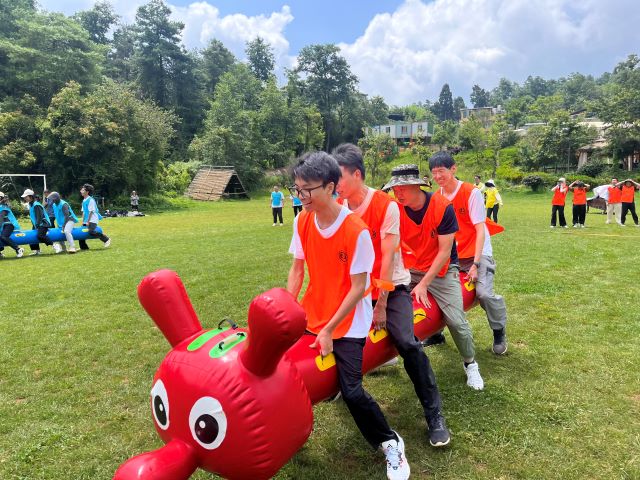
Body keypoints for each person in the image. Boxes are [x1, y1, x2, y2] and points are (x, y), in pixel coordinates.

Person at [288, 151, 410, 480]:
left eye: (306, 190)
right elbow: (297, 269)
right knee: (284, 371)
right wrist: (288, 306)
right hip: (313, 313)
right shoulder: (302, 220)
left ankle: (390, 442)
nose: (300, 197)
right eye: (296, 189)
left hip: (349, 321)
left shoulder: (355, 230)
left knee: (352, 391)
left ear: (330, 187)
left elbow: (358, 289)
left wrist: (329, 330)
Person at [334, 143, 450, 447]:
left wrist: (381, 304)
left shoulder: (385, 205)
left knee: (407, 343)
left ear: (356, 175)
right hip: (356, 289)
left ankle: (434, 414)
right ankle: (339, 386)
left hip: (391, 286)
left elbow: (387, 258)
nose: (335, 184)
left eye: (339, 177)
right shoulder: (338, 207)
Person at [384, 163, 485, 389]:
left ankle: (470, 363)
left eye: (402, 188)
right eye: (394, 189)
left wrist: (423, 284)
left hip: (442, 270)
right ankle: (383, 355)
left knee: (456, 321)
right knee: (381, 305)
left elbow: (444, 252)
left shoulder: (442, 207)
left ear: (416, 186)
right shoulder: (395, 209)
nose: (398, 193)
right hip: (410, 268)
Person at [428, 152, 508, 356]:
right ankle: (435, 333)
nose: (437, 176)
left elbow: (480, 230)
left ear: (453, 169)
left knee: (483, 294)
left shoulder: (471, 192)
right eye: (434, 172)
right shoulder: (436, 197)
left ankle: (499, 331)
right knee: (435, 290)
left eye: (441, 171)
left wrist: (476, 264)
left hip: (477, 252)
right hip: (453, 254)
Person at [20, 189, 60, 255]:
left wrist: (37, 225)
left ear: (31, 196)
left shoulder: (36, 205)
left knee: (40, 236)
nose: (25, 198)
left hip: (43, 223)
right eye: (24, 197)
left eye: (26, 197)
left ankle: (55, 245)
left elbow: (39, 216)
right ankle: (37, 251)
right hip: (37, 224)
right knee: (31, 236)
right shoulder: (31, 204)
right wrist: (35, 225)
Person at [79, 184, 111, 249]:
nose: (81, 191)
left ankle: (106, 239)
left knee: (91, 232)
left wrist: (88, 222)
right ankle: (84, 247)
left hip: (93, 220)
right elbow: (84, 212)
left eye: (83, 190)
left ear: (87, 192)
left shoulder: (91, 200)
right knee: (81, 232)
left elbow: (91, 212)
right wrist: (83, 221)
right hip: (86, 220)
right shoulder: (84, 200)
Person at [0, 192, 24, 258]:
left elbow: (1, 219)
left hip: (9, 224)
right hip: (4, 225)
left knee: (3, 237)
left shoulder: (3, 207)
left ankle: (18, 249)